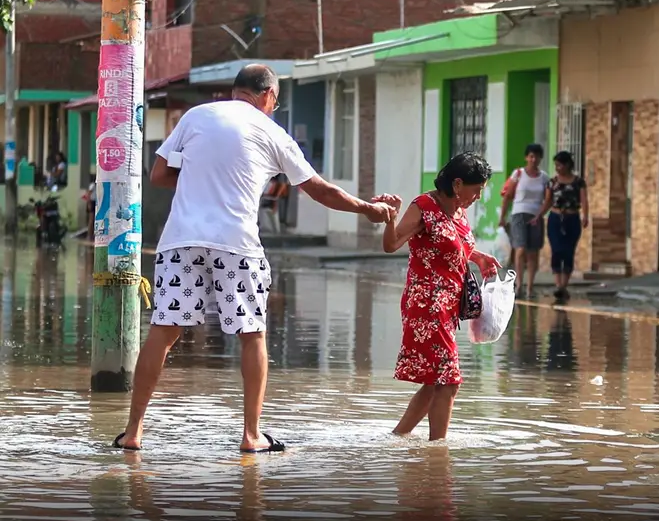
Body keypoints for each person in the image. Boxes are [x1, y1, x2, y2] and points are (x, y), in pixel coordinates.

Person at [112, 64, 398, 453]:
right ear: (267, 95)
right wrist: (367, 209)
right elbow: (320, 190)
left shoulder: (196, 116)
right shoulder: (271, 132)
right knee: (252, 336)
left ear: (236, 90)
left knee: (162, 332)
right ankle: (251, 435)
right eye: (275, 102)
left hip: (181, 241)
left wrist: (203, 177)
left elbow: (159, 174)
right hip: (236, 245)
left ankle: (133, 433)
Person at [381, 152, 502, 441]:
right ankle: (438, 451)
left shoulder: (458, 209)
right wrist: (390, 219)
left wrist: (479, 257)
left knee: (435, 382)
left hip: (449, 307)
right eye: (477, 190)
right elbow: (392, 244)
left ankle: (399, 436)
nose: (478, 197)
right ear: (458, 184)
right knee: (448, 381)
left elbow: (454, 246)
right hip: (426, 304)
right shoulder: (424, 206)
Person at [531, 151, 588, 299]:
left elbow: (583, 200)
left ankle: (564, 286)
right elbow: (548, 201)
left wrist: (585, 216)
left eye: (559, 165)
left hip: (572, 218)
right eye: (556, 165)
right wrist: (539, 215)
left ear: (567, 164)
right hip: (555, 219)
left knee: (568, 251)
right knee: (556, 250)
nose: (557, 168)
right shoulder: (552, 182)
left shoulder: (578, 182)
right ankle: (558, 285)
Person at [500, 144, 548, 297]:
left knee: (533, 252)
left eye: (537, 157)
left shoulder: (544, 177)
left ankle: (530, 286)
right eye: (531, 156)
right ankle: (519, 284)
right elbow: (508, 196)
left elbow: (548, 199)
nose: (534, 160)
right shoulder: (519, 174)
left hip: (536, 216)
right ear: (527, 157)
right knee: (520, 249)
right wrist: (502, 216)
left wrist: (540, 215)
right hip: (518, 214)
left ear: (541, 158)